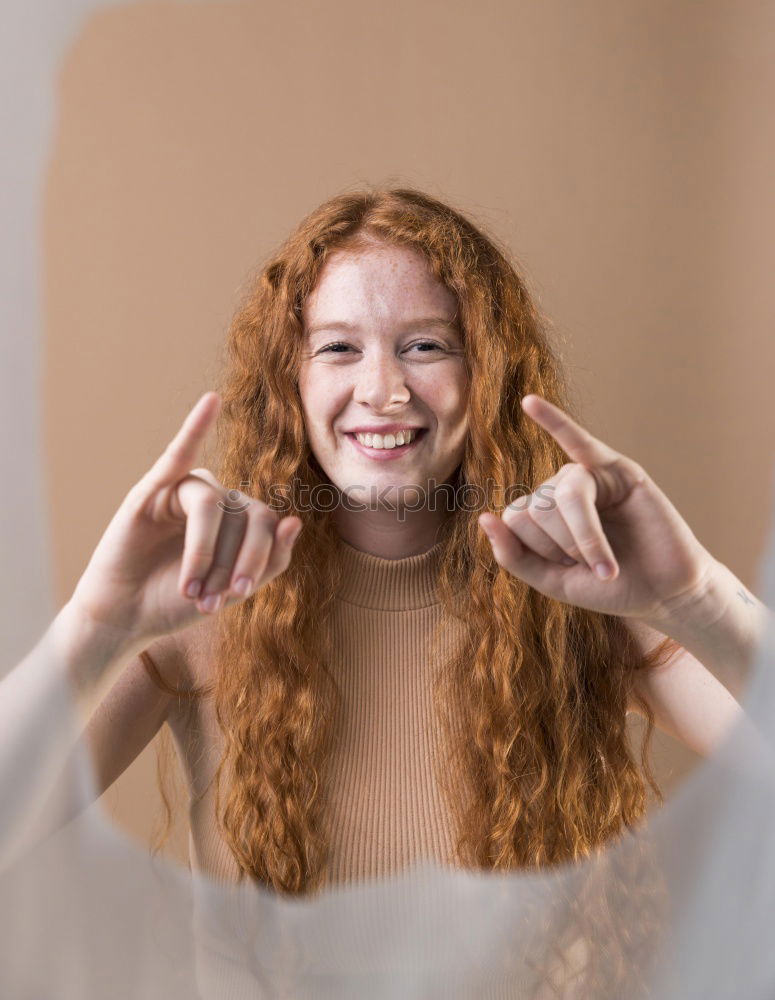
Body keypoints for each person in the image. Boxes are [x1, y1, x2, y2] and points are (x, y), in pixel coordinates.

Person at [1, 188, 766, 906]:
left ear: (488, 377)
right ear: (287, 384)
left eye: (426, 345)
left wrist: (695, 597)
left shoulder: (585, 595)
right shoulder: (205, 604)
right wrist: (98, 626)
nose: (383, 390)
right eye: (337, 349)